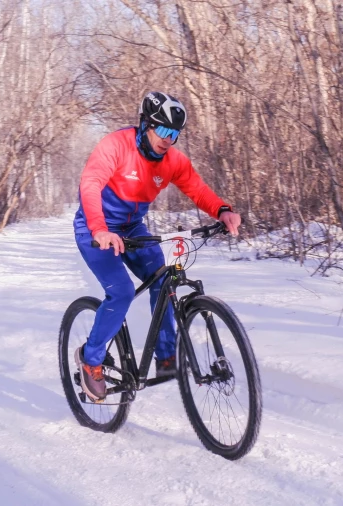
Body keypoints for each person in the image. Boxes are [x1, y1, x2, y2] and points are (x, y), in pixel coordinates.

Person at [73, 91, 241, 402]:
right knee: (121, 292)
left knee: (164, 280)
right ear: (145, 124)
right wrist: (99, 229)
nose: (168, 139)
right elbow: (91, 183)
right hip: (95, 230)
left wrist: (222, 210)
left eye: (174, 134)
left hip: (133, 230)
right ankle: (90, 359)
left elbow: (197, 188)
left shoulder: (172, 161)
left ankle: (166, 358)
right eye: (163, 130)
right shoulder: (116, 145)